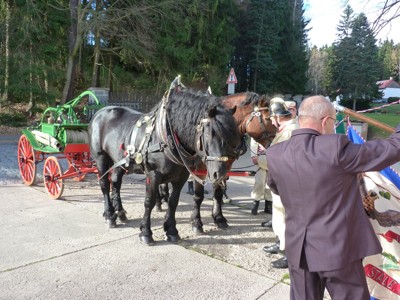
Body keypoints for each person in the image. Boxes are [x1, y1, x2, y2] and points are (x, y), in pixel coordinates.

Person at [265, 95, 400, 300]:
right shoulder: (336, 148)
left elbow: (275, 187)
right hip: (338, 252)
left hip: (298, 251)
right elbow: (391, 149)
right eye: (334, 121)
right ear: (325, 121)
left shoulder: (275, 154)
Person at [261, 98, 299, 269]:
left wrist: (260, 160)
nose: (271, 122)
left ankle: (288, 256)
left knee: (284, 220)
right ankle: (281, 246)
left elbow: (279, 160)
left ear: (277, 117)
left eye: (272, 119)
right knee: (279, 218)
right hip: (283, 184)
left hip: (285, 185)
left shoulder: (288, 132)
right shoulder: (287, 129)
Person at [250, 138, 272, 215]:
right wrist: (253, 155)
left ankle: (268, 206)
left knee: (270, 184)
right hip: (261, 157)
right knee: (259, 183)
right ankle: (255, 204)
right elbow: (254, 139)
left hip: (273, 157)